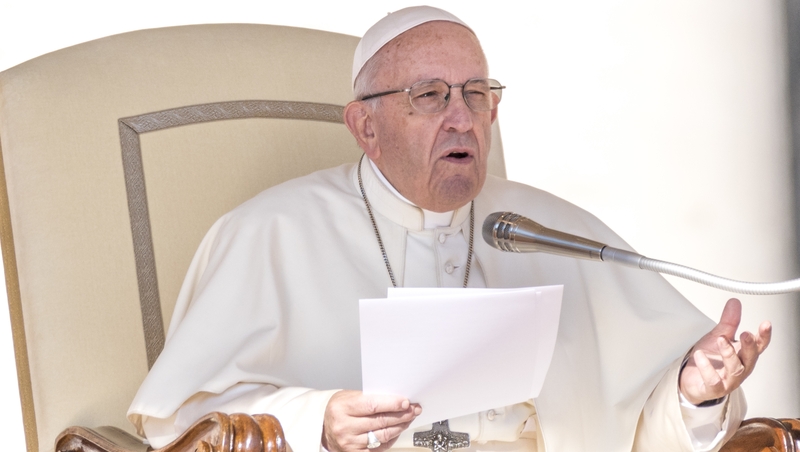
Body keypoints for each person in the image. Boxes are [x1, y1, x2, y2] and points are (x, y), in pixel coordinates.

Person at [128, 6, 771, 451]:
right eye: (430, 96)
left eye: (477, 94)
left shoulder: (550, 231)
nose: (462, 117)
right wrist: (316, 423)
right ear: (365, 128)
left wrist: (694, 392)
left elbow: (639, 425)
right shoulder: (269, 234)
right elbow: (182, 426)